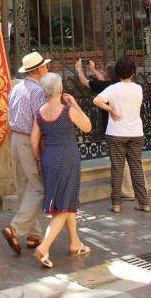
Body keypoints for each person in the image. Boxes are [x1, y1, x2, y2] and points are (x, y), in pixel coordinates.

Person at [30, 73, 93, 268]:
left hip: (49, 158)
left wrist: (40, 159)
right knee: (64, 207)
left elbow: (34, 141)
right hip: (68, 158)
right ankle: (44, 247)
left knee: (68, 200)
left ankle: (75, 243)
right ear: (60, 89)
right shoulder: (67, 111)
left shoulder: (40, 112)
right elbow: (88, 126)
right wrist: (76, 105)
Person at [2, 51, 50, 255]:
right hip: (30, 140)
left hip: (15, 139)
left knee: (24, 187)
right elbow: (41, 122)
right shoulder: (38, 92)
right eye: (45, 67)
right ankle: (16, 229)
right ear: (39, 70)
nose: (47, 69)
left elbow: (8, 116)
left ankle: (34, 235)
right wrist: (41, 150)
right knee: (38, 188)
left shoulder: (16, 88)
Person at [93, 56, 150, 213]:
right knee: (136, 167)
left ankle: (116, 203)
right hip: (136, 132)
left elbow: (97, 101)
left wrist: (111, 110)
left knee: (117, 168)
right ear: (133, 72)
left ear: (117, 72)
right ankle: (144, 202)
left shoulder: (113, 89)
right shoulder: (138, 88)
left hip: (117, 132)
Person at [77, 59, 137, 201]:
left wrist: (79, 69)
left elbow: (86, 82)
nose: (102, 74)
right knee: (132, 161)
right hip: (133, 128)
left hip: (116, 129)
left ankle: (127, 190)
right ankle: (137, 189)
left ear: (108, 75)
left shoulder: (109, 87)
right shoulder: (127, 86)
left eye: (104, 72)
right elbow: (103, 80)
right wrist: (93, 69)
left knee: (120, 161)